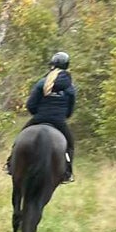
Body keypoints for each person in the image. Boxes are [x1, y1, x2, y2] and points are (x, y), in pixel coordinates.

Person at [7, 51, 77, 181]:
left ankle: (11, 163)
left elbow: (31, 105)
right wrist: (61, 116)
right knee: (70, 145)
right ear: (67, 66)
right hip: (59, 121)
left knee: (19, 139)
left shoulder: (42, 82)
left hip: (39, 118)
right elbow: (70, 111)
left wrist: (38, 114)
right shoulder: (70, 87)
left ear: (52, 65)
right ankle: (67, 172)